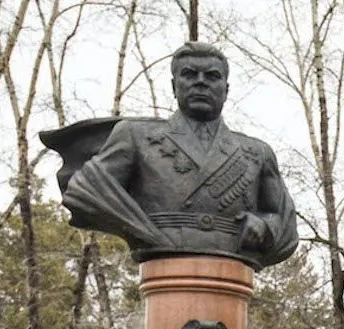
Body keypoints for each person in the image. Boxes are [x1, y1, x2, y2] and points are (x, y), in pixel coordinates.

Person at [53, 42, 298, 270]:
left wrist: (264, 227)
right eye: (190, 74)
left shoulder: (256, 152)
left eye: (212, 76)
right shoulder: (135, 136)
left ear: (226, 89)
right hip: (161, 262)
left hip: (231, 268)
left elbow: (284, 221)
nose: (200, 82)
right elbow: (86, 188)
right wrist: (139, 230)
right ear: (174, 86)